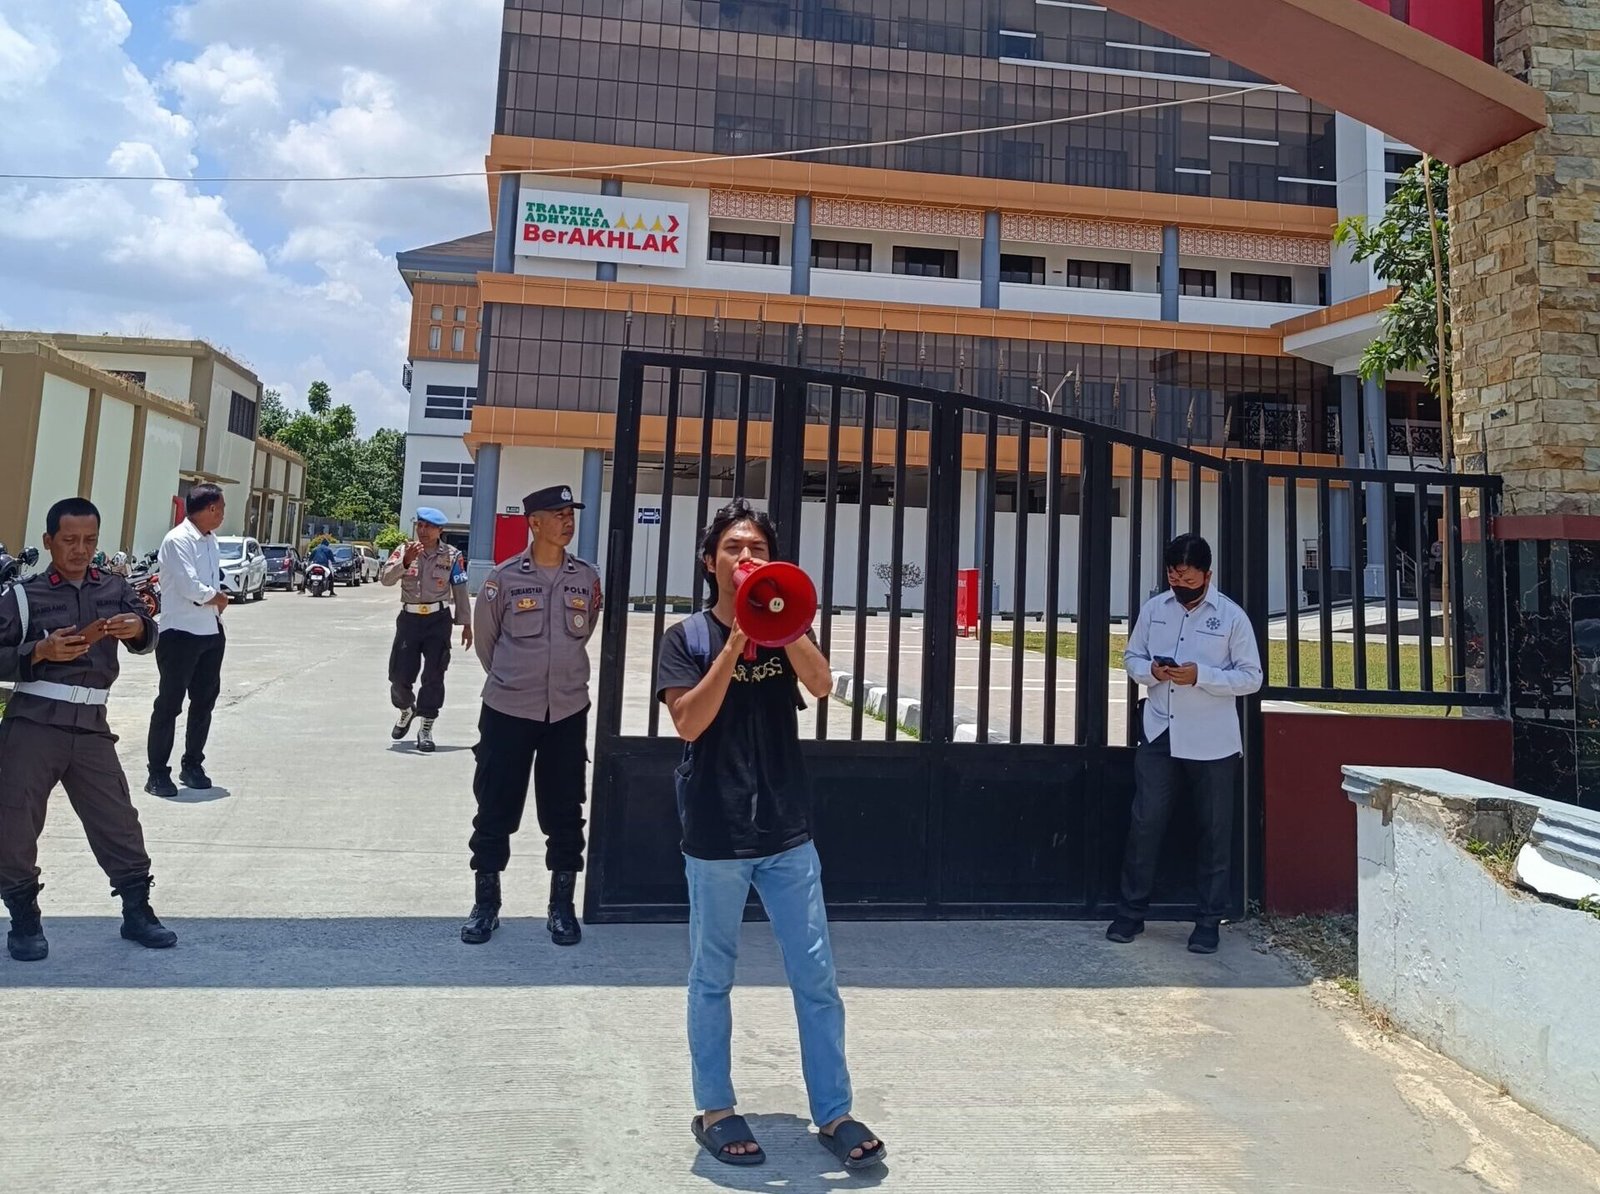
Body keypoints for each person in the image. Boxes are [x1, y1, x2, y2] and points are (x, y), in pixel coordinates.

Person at [655, 499, 886, 1171]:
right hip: (717, 833)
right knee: (712, 976)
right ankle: (716, 1108)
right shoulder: (687, 638)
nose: (746, 557)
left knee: (816, 978)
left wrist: (779, 621)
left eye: (757, 548)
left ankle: (834, 1111)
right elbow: (688, 722)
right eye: (734, 548)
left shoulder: (787, 627)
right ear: (710, 562)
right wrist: (735, 642)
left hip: (786, 831)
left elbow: (822, 684)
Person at [0, 497, 178, 961]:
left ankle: (137, 911)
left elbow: (148, 634)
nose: (80, 550)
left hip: (92, 725)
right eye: (70, 540)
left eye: (90, 540)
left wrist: (137, 627)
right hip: (34, 723)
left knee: (117, 819)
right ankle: (24, 920)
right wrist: (38, 653)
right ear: (48, 541)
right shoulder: (23, 596)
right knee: (14, 821)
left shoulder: (114, 587)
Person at [1108, 533, 1263, 955]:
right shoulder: (1155, 610)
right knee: (1145, 823)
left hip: (1212, 741)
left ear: (1207, 575)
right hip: (1160, 732)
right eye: (1174, 576)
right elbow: (1131, 657)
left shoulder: (1230, 617)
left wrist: (1202, 676)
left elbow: (1252, 677)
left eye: (1189, 578)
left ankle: (1208, 921)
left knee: (1214, 832)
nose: (1180, 584)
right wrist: (1153, 672)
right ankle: (1130, 913)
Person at [461, 485, 600, 947]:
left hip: (567, 711)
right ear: (534, 522)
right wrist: (517, 681)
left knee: (565, 811)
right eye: (558, 514)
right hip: (508, 711)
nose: (568, 521)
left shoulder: (586, 578)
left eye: (570, 513)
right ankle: (486, 905)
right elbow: (487, 642)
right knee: (494, 807)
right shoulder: (502, 580)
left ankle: (561, 907)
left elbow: (585, 631)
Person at [146, 483, 229, 798]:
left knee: (204, 702)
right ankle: (157, 773)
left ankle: (192, 764)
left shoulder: (211, 541)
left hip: (210, 631)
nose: (223, 515)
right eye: (221, 509)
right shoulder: (177, 540)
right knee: (169, 704)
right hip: (180, 634)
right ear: (209, 508)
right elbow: (189, 587)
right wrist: (218, 598)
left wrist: (216, 607)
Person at [381, 509, 471, 752]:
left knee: (434, 674)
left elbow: (460, 589)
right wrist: (405, 561)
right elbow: (385, 579)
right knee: (399, 676)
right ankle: (406, 709)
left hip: (438, 620)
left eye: (429, 527)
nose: (422, 531)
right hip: (409, 620)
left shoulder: (452, 555)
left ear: (440, 530)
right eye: (420, 525)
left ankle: (426, 727)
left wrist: (466, 624)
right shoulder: (405, 550)